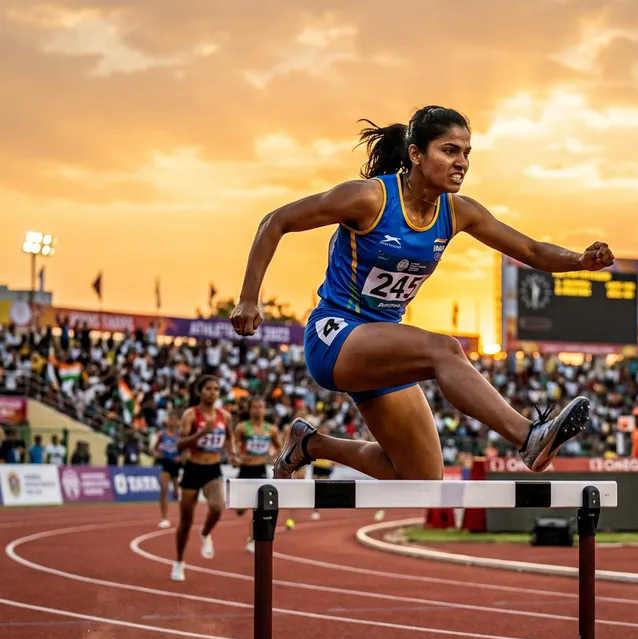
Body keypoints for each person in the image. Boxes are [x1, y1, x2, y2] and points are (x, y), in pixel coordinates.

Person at [230, 106, 614, 480]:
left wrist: (580, 260)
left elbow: (530, 251)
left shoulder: (458, 211)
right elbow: (276, 220)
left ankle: (311, 445)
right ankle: (529, 436)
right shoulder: (369, 199)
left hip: (386, 349)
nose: (461, 162)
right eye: (449, 151)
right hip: (336, 335)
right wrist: (249, 298)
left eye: (466, 153)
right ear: (415, 154)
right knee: (443, 349)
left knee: (421, 477)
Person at [171, 375, 237, 582]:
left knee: (217, 507)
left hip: (213, 468)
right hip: (192, 468)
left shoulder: (224, 416)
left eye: (216, 389)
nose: (213, 392)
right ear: (200, 392)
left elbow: (229, 438)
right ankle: (179, 562)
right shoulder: (191, 414)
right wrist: (200, 434)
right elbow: (180, 444)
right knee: (185, 521)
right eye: (208, 388)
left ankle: (205, 532)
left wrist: (232, 454)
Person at [233, 395, 282, 552]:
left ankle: (251, 539)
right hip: (245, 470)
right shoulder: (242, 427)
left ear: (265, 409)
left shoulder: (271, 429)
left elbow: (281, 448)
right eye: (255, 407)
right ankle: (243, 506)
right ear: (250, 409)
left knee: (258, 507)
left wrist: (276, 457)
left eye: (261, 407)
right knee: (240, 510)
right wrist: (236, 458)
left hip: (260, 471)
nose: (258, 410)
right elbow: (233, 447)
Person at [153, 412, 183, 529]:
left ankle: (182, 516)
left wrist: (180, 458)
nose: (173, 423)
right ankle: (164, 517)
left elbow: (187, 452)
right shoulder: (162, 435)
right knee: (164, 489)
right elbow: (154, 448)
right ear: (168, 421)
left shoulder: (180, 435)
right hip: (166, 464)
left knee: (176, 494)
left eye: (175, 421)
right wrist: (157, 454)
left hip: (176, 466)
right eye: (171, 420)